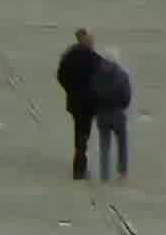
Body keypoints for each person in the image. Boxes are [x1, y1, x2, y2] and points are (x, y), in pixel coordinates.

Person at [54, 28, 111, 180]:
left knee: (80, 130)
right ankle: (80, 167)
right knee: (83, 133)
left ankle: (79, 164)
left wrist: (69, 89)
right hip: (88, 102)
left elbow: (61, 75)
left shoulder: (69, 56)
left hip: (74, 100)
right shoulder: (94, 59)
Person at [88, 48, 133, 181]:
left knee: (104, 145)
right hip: (118, 113)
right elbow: (126, 96)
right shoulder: (122, 75)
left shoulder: (95, 74)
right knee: (122, 144)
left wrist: (96, 110)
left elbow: (92, 94)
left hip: (101, 114)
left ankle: (104, 174)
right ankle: (122, 172)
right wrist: (122, 108)